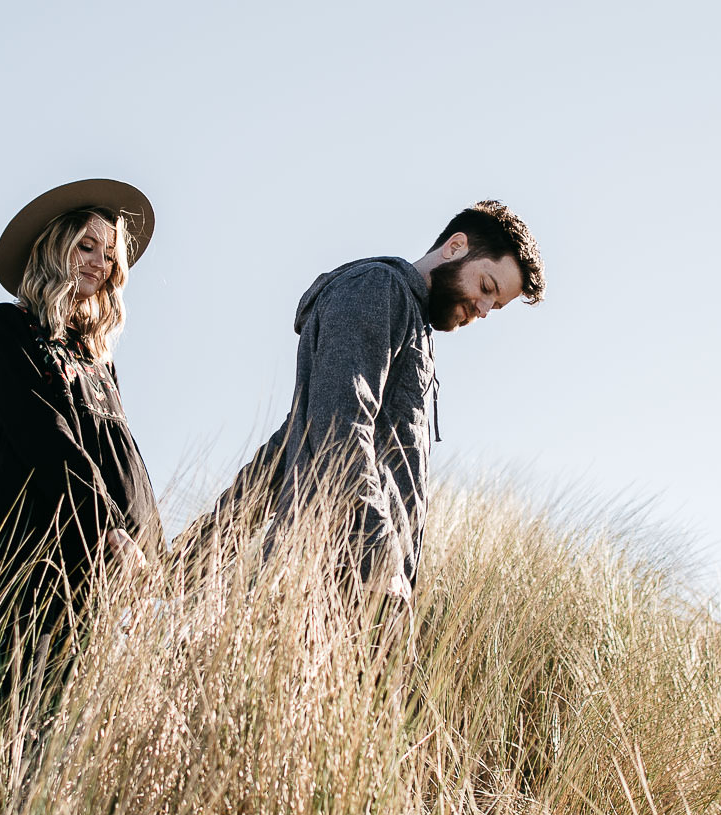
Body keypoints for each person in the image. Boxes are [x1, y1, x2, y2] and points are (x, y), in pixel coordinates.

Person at [212, 200, 545, 602]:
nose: (484, 309)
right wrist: (378, 550)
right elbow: (342, 423)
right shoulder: (378, 288)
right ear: (455, 247)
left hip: (365, 586)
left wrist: (183, 563)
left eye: (497, 305)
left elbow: (287, 448)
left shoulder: (412, 322)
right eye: (487, 287)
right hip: (340, 579)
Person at [0, 178, 162, 701]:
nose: (100, 263)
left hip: (108, 574)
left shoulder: (96, 357)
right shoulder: (8, 330)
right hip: (29, 568)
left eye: (109, 254)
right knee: (24, 731)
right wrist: (104, 529)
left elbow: (121, 457)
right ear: (55, 248)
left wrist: (148, 547)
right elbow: (43, 436)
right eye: (86, 246)